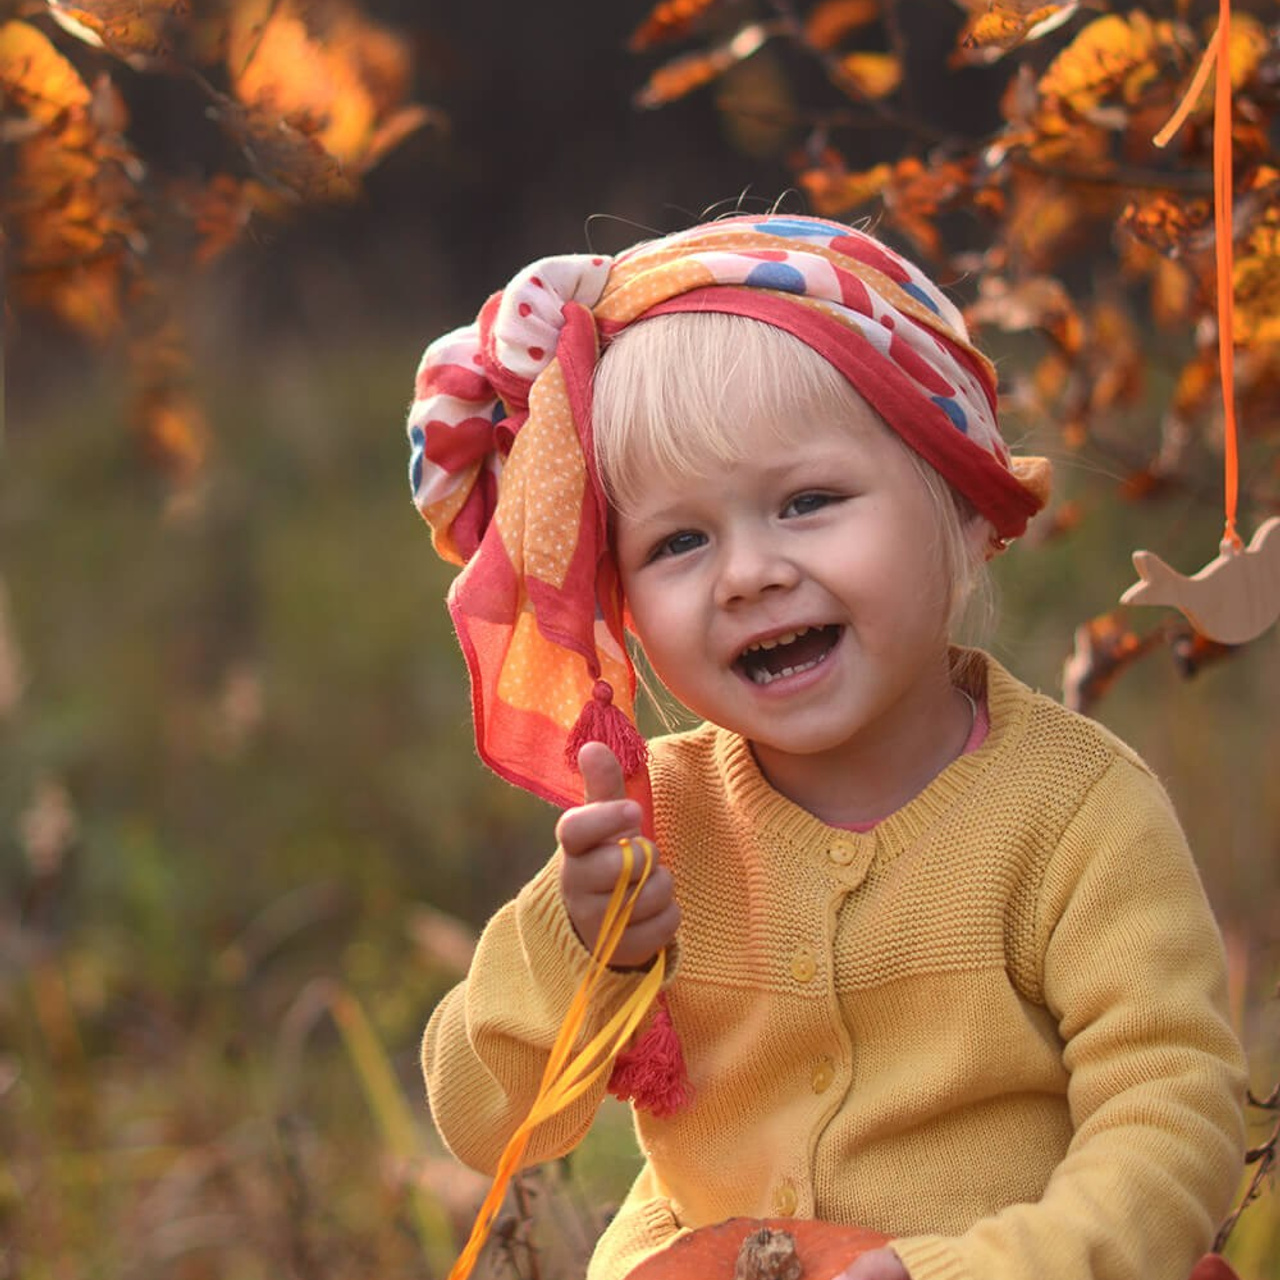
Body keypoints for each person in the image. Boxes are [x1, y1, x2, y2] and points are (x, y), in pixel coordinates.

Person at [406, 214, 1247, 1280]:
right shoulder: (656, 823)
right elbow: (485, 1123)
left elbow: (1168, 1115)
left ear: (955, 503)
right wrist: (586, 949)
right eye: (677, 542)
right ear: (622, 606)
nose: (747, 572)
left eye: (806, 502)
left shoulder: (1071, 813)